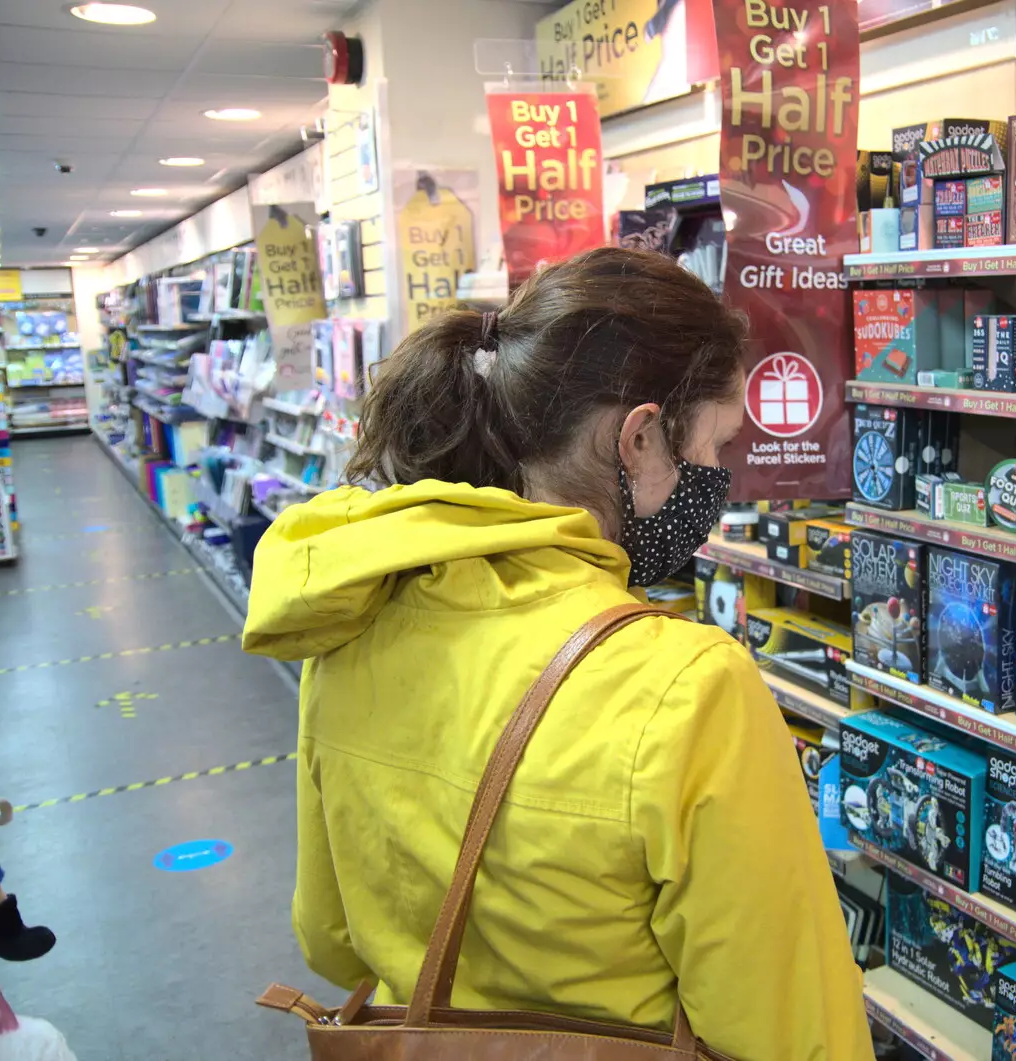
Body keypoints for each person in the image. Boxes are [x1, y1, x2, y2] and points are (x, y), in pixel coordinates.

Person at [242, 247, 873, 1061]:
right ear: (640, 438)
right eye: (716, 445)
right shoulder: (687, 684)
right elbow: (792, 1031)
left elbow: (328, 935)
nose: (721, 480)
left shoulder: (359, 609)